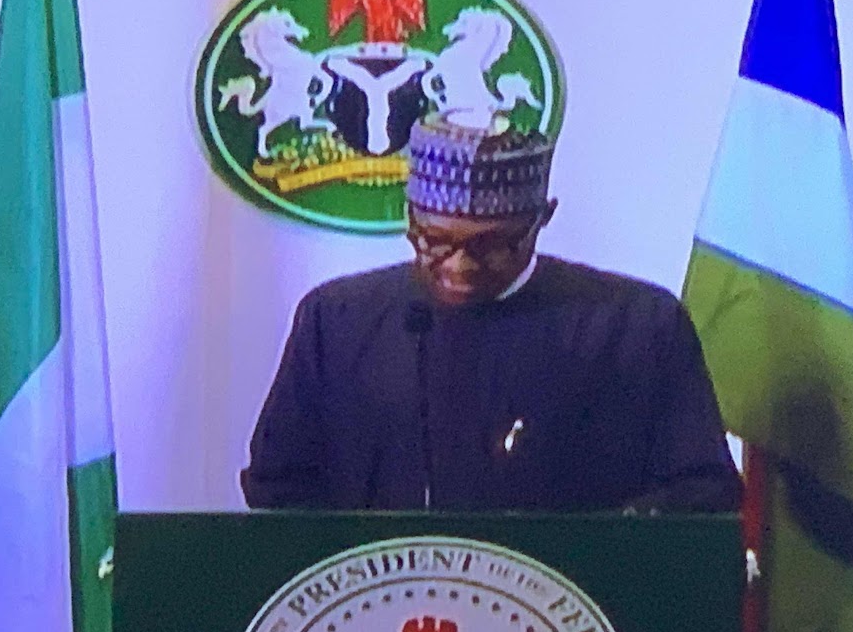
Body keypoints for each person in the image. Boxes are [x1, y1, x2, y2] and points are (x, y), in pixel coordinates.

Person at [244, 114, 742, 514]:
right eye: (434, 240)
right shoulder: (336, 322)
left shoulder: (636, 327)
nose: (459, 266)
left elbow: (700, 489)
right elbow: (278, 485)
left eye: (492, 245)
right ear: (409, 216)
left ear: (542, 218)